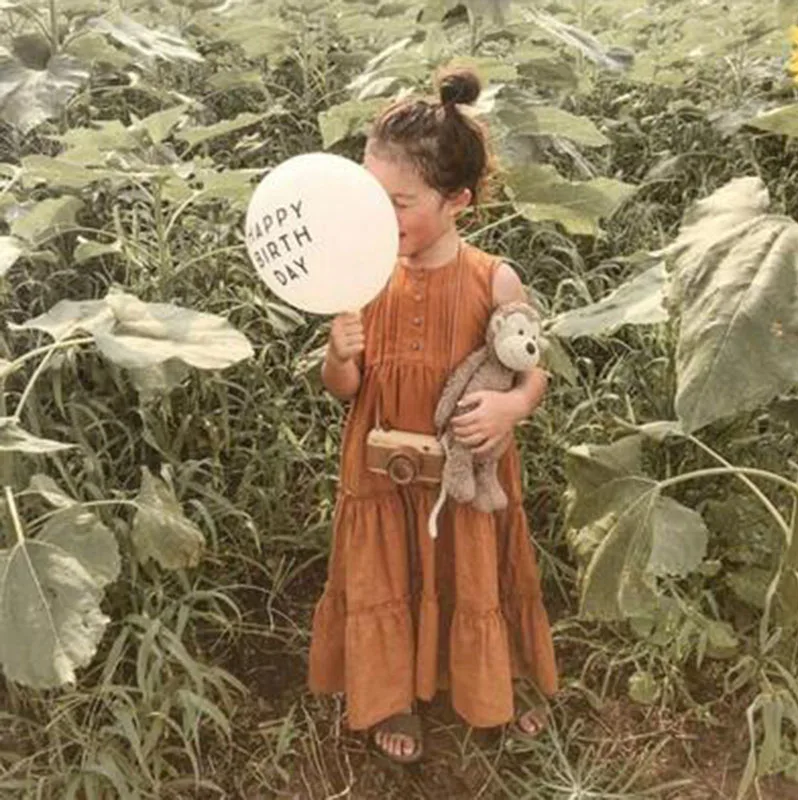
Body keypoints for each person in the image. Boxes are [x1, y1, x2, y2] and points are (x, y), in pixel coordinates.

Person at [308, 66, 558, 763]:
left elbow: (531, 371)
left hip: (464, 472)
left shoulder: (493, 280)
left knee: (473, 570)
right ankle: (389, 694)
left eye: (399, 204)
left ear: (457, 201)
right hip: (383, 473)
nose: (378, 220)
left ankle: (493, 684)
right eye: (369, 199)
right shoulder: (362, 274)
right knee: (386, 572)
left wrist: (510, 406)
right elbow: (343, 388)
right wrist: (339, 352)